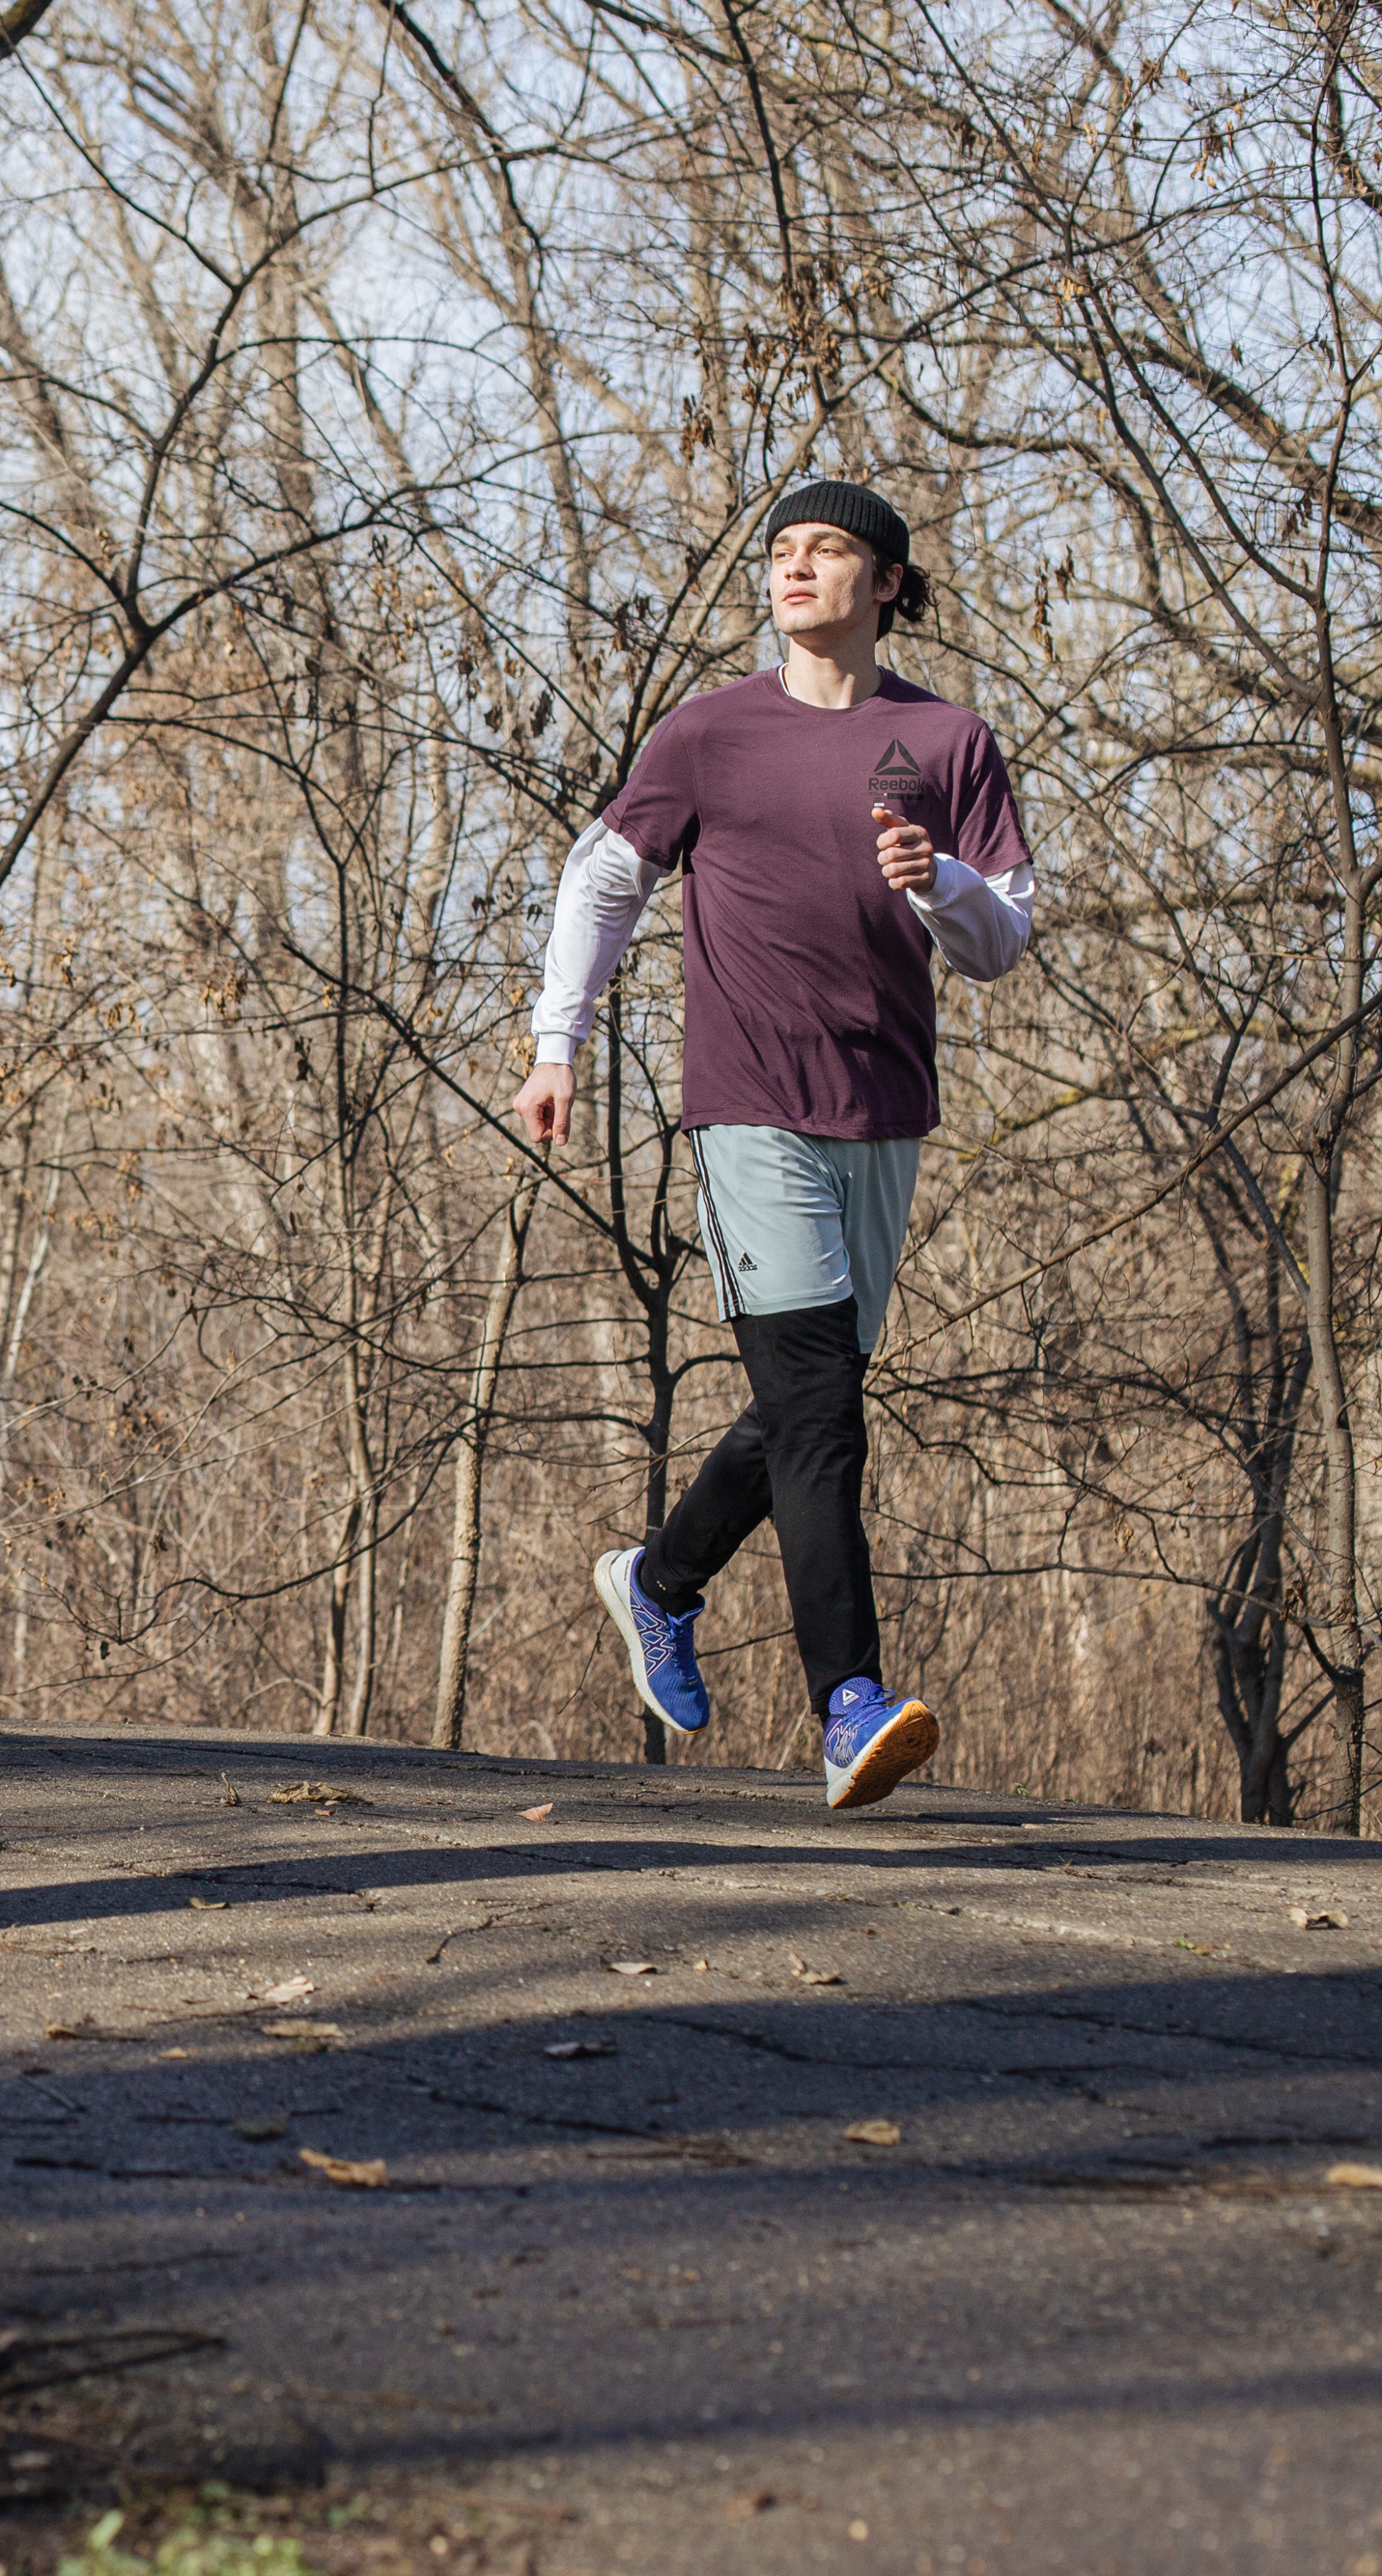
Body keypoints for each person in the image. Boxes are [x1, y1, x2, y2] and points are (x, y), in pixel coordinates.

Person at [514, 481, 1036, 1809]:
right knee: (822, 1415)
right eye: (784, 551)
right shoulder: (709, 734)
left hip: (885, 1104)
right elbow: (604, 877)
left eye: (831, 550)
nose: (798, 567)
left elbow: (1002, 943)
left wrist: (946, 882)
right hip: (748, 1098)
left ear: (890, 585)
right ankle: (848, 1700)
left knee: (811, 1395)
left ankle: (662, 1578)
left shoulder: (950, 739)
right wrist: (556, 1041)